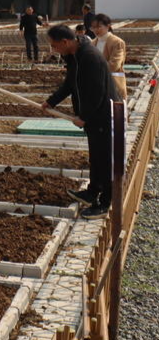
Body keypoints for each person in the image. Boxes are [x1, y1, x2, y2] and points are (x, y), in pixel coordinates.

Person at [42, 25, 120, 220]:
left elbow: (97, 93)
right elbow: (70, 83)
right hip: (93, 117)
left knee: (104, 158)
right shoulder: (75, 56)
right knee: (95, 157)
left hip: (103, 115)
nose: (53, 50)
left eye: (54, 45)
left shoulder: (89, 58)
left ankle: (105, 203)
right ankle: (92, 192)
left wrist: (83, 116)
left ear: (65, 42)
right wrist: (51, 101)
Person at [91, 13, 127, 100]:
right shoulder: (92, 43)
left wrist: (95, 70)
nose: (96, 30)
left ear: (108, 26)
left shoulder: (117, 42)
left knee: (115, 109)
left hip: (113, 82)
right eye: (94, 27)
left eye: (99, 26)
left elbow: (114, 65)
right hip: (96, 84)